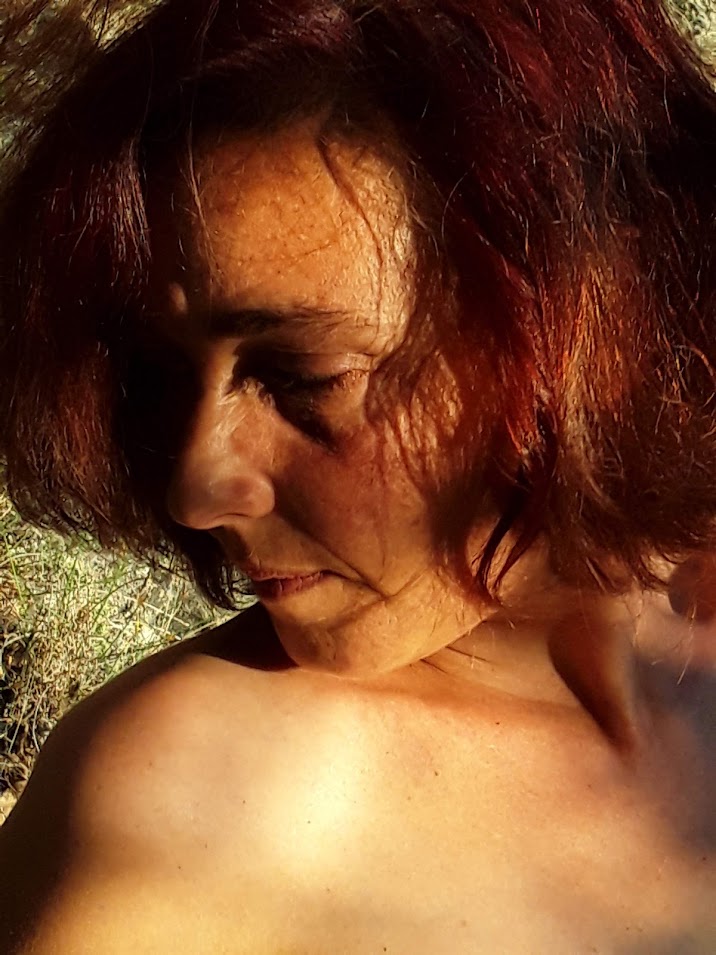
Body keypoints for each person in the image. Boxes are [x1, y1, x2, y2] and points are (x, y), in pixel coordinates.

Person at [1, 0, 715, 950]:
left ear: (588, 315)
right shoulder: (188, 807)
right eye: (163, 377)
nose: (195, 488)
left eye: (305, 376)